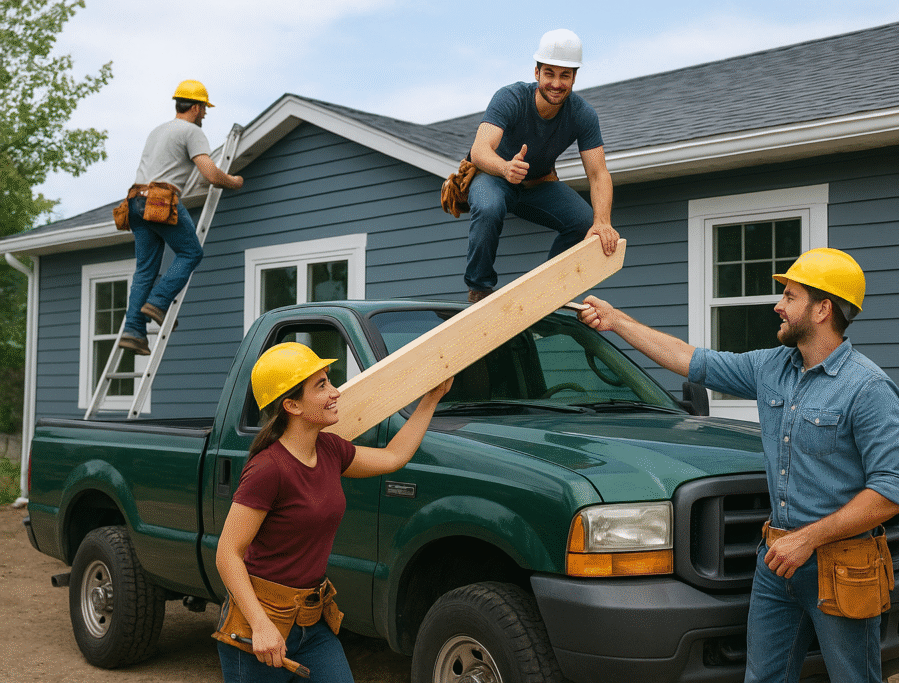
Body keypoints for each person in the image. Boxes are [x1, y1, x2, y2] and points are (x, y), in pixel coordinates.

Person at [577, 248, 899, 683]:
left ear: (822, 309)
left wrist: (808, 539)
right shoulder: (771, 367)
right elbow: (688, 358)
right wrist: (616, 321)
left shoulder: (868, 388)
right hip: (777, 560)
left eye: (790, 297)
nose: (778, 305)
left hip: (843, 565)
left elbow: (890, 490)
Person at [214, 342, 452, 682]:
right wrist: (261, 625)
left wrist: (431, 399)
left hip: (311, 623)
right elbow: (228, 553)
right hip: (260, 628)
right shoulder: (268, 469)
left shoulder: (329, 449)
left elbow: (393, 457)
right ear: (291, 405)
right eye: (321, 385)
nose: (336, 392)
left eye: (329, 381)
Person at [462, 28, 619, 303]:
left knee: (584, 222)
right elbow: (479, 150)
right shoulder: (510, 98)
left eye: (565, 75)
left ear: (574, 78)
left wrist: (603, 222)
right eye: (549, 73)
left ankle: (545, 291)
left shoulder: (583, 114)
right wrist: (505, 168)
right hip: (495, 178)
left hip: (537, 184)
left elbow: (598, 174)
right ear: (537, 74)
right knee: (488, 207)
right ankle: (479, 289)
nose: (556, 83)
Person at [119, 79, 244, 355]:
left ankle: (133, 331)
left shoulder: (157, 131)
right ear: (197, 107)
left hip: (134, 202)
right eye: (205, 109)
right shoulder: (190, 131)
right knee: (190, 253)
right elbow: (210, 174)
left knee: (145, 271)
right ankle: (159, 301)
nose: (205, 114)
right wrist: (234, 181)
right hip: (160, 200)